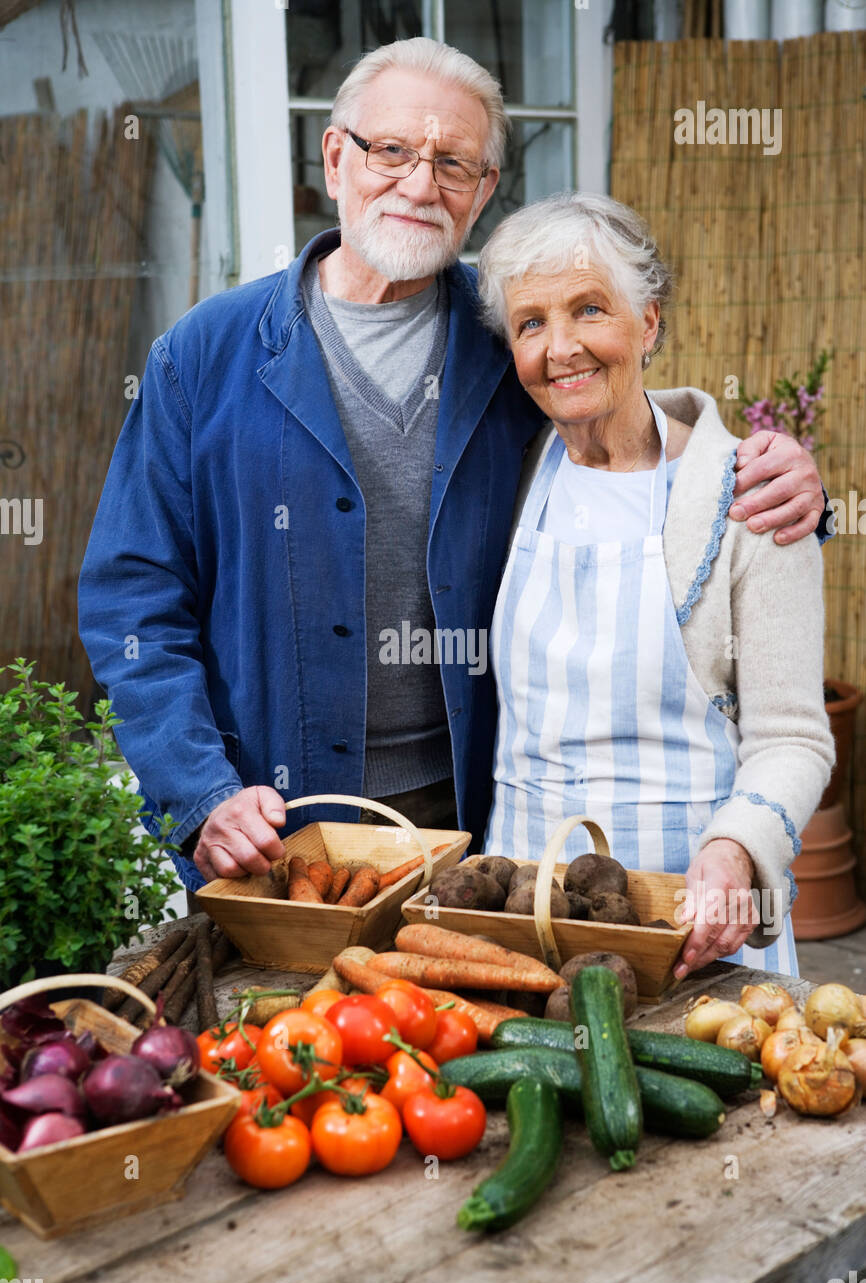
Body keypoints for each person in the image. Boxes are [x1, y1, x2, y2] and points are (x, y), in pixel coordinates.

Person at [78, 38, 828, 900]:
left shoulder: (510, 337)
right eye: (392, 149)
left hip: (474, 828)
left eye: (454, 162)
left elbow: (634, 442)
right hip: (272, 824)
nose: (419, 182)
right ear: (335, 157)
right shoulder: (203, 358)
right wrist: (199, 790)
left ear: (482, 192)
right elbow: (133, 599)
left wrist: (781, 482)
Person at [476, 191, 834, 977]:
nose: (560, 347)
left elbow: (793, 738)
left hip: (693, 922)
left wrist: (737, 852)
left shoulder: (749, 495)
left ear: (650, 323)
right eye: (531, 323)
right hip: (525, 924)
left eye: (590, 309)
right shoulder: (509, 473)